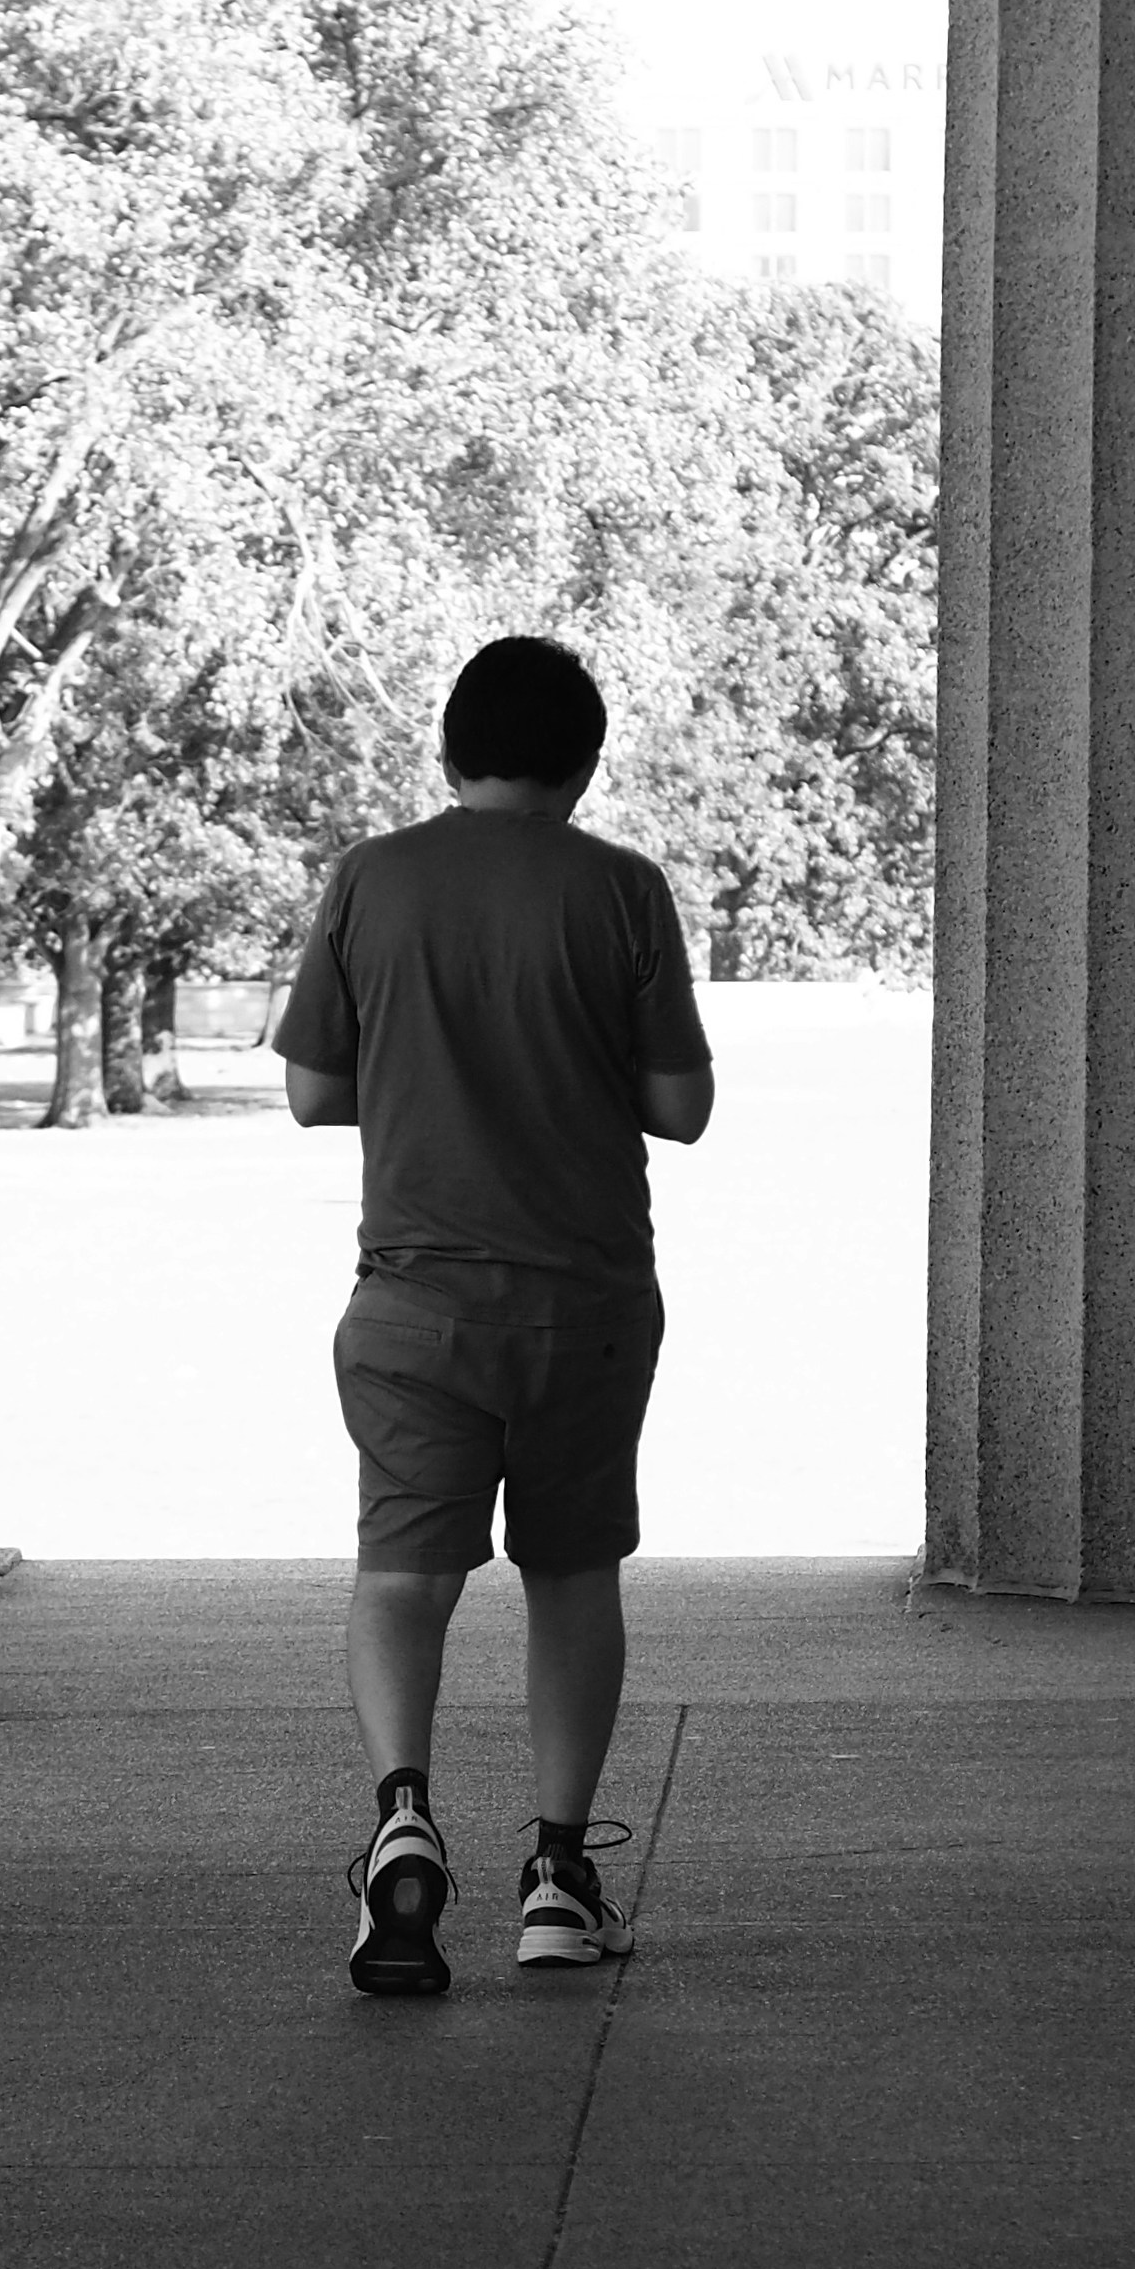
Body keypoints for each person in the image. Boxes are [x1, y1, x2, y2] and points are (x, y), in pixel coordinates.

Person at [275, 633, 717, 1998]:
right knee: (571, 1574)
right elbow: (681, 1108)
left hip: (413, 1304)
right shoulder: (622, 888)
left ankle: (402, 1816)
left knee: (402, 1573)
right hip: (585, 1303)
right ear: (586, 765)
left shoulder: (372, 877)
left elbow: (311, 1091)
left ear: (447, 751)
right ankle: (560, 1879)